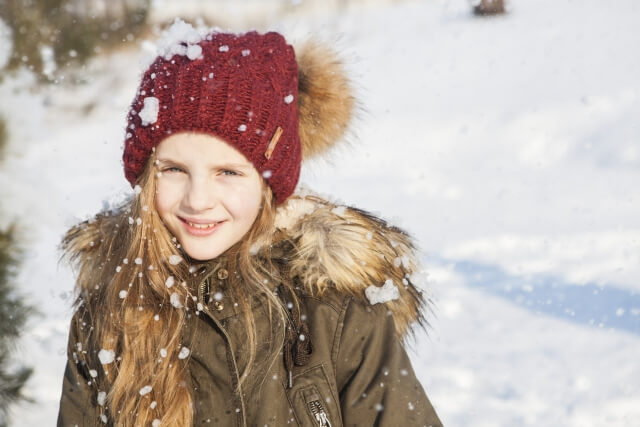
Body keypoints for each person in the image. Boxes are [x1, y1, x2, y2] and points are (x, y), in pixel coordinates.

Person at [57, 19, 443, 427]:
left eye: (228, 172)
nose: (198, 200)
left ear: (269, 185)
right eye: (173, 170)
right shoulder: (111, 310)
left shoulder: (335, 307)